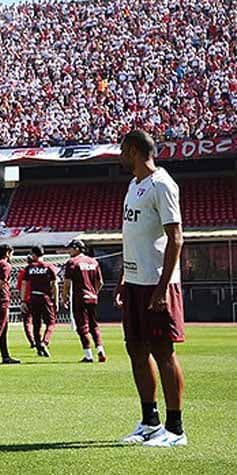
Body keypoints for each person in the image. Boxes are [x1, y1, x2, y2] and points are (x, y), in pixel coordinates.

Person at [115, 130, 187, 447]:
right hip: (134, 282)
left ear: (133, 150)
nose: (120, 157)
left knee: (163, 353)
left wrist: (162, 286)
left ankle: (175, 429)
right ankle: (150, 421)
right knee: (136, 350)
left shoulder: (162, 184)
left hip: (157, 284)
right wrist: (123, 277)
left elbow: (176, 238)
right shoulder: (134, 185)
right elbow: (133, 237)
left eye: (122, 151)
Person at [62, 239, 106, 363]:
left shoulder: (72, 262)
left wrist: (64, 297)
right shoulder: (94, 261)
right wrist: (94, 293)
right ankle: (100, 349)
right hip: (92, 297)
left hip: (80, 297)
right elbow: (100, 282)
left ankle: (88, 355)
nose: (69, 251)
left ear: (77, 248)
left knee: (82, 327)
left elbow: (67, 283)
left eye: (70, 248)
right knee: (94, 325)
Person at [21, 245, 58, 358]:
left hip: (33, 297)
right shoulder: (49, 267)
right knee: (51, 323)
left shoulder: (29, 268)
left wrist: (23, 300)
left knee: (36, 324)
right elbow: (54, 284)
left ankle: (38, 347)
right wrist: (55, 300)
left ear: (34, 254)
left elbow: (24, 285)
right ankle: (44, 342)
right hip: (45, 297)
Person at [16, 257, 36, 348]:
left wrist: (22, 300)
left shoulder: (22, 273)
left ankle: (32, 341)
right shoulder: (40, 272)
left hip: (26, 299)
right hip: (37, 298)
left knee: (27, 322)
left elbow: (20, 288)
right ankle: (40, 341)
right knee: (38, 321)